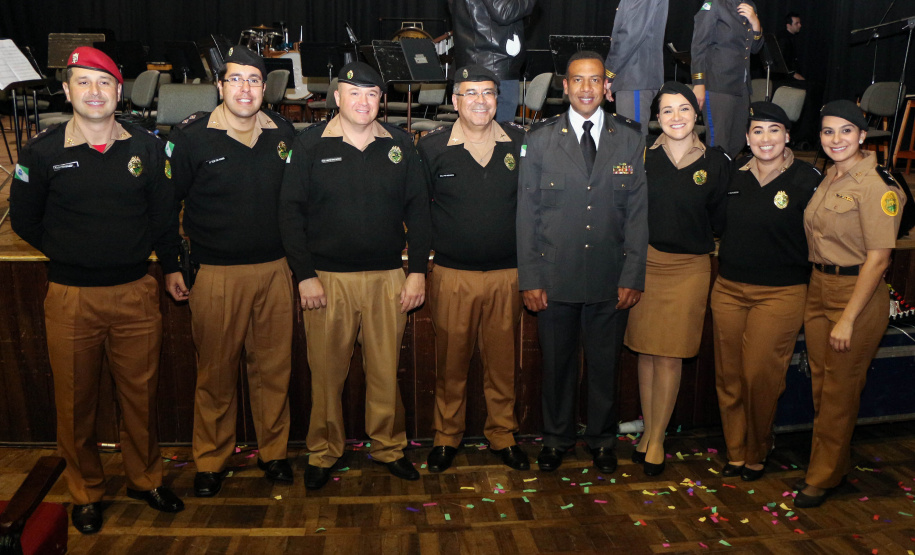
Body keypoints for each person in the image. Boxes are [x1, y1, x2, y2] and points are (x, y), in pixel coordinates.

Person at [9, 47, 183, 534]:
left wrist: (171, 267)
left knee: (140, 397)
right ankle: (86, 491)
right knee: (75, 402)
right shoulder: (42, 152)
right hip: (71, 297)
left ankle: (145, 480)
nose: (94, 92)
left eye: (104, 83)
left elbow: (163, 217)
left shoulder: (147, 147)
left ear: (119, 91)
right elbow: (25, 219)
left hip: (135, 293)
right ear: (67, 92)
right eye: (83, 82)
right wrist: (71, 251)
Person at [279, 62, 432, 490]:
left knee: (385, 371)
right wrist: (304, 275)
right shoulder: (309, 144)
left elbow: (419, 211)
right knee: (326, 374)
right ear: (337, 97)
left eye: (371, 94)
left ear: (380, 100)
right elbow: (289, 212)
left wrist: (417, 271)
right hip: (327, 281)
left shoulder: (401, 145)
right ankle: (324, 451)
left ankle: (388, 447)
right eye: (354, 92)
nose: (363, 101)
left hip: (388, 277)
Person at [158, 46, 296, 497]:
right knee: (216, 375)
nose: (244, 88)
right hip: (215, 274)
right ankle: (212, 460)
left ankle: (273, 454)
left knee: (273, 371)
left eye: (253, 81)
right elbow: (165, 206)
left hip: (276, 270)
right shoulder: (192, 137)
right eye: (235, 80)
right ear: (220, 86)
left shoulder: (284, 132)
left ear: (265, 88)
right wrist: (172, 264)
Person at [517, 50, 648, 474]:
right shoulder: (539, 140)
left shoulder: (629, 139)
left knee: (605, 367)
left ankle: (602, 440)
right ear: (565, 87)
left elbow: (637, 214)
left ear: (606, 89)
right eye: (578, 80)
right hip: (555, 279)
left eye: (595, 81)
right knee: (556, 366)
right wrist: (531, 278)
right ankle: (556, 440)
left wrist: (632, 275)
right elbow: (528, 215)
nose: (587, 88)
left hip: (610, 279)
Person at [417, 65, 528, 473]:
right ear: (455, 101)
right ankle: (447, 437)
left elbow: (533, 210)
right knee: (451, 364)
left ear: (497, 99)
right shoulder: (431, 147)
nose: (480, 100)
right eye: (470, 93)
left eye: (487, 93)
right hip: (452, 275)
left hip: (508, 275)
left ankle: (502, 434)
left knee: (502, 365)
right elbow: (418, 209)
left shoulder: (520, 143)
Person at [795, 100, 905, 507]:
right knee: (823, 386)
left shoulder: (877, 185)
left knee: (840, 391)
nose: (835, 139)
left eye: (845, 131)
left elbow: (879, 259)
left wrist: (848, 318)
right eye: (827, 131)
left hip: (855, 295)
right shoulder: (830, 175)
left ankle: (821, 477)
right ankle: (833, 465)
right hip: (819, 286)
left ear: (862, 135)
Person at [711, 101, 820, 482]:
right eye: (757, 131)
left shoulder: (809, 179)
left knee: (760, 376)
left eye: (774, 130)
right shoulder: (733, 176)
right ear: (747, 138)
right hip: (727, 289)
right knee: (729, 377)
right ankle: (736, 450)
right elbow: (716, 223)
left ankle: (758, 448)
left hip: (781, 293)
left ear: (788, 136)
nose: (765, 139)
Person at [625, 81, 729, 477]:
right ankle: (650, 429)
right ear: (656, 118)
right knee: (646, 351)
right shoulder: (642, 157)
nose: (676, 117)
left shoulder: (717, 162)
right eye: (666, 110)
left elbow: (721, 218)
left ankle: (657, 438)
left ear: (696, 114)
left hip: (689, 269)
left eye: (683, 109)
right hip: (644, 265)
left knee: (668, 355)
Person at [691, 0, 764, 157]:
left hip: (742, 86)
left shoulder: (750, 5)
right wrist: (698, 83)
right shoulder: (714, 4)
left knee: (738, 141)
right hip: (718, 84)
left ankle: (726, 178)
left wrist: (756, 23)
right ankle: (713, 179)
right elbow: (698, 47)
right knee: (718, 143)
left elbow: (755, 49)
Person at [449, 0, 537, 122]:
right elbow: (503, 11)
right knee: (500, 134)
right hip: (496, 67)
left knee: (473, 133)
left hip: (471, 64)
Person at [603, 0, 670, 133]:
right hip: (632, 77)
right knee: (629, 142)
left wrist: (609, 73)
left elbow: (631, 34)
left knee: (633, 143)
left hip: (635, 76)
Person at [776, 12, 804, 81]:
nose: (800, 25)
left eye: (799, 23)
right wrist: (793, 74)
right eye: (796, 23)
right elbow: (780, 60)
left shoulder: (792, 37)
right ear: (788, 25)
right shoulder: (782, 39)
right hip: (785, 77)